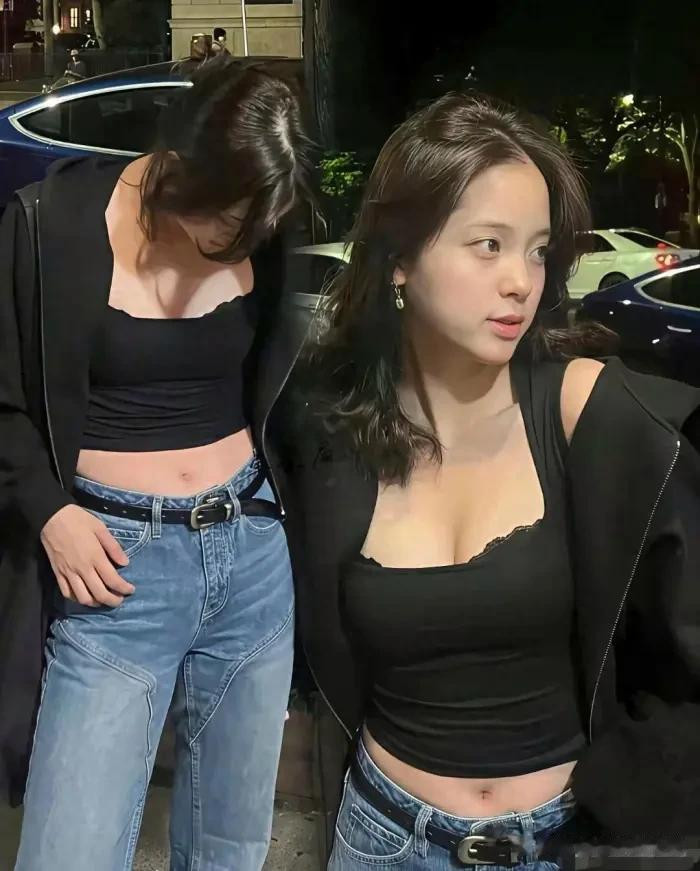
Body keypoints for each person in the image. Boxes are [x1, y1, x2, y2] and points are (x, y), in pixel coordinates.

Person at [270, 93, 700, 869]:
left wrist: (634, 804)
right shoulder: (327, 432)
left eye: (537, 251)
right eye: (489, 245)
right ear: (399, 258)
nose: (520, 281)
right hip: (382, 837)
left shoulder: (592, 414)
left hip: (563, 843)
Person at [0, 56, 314, 871]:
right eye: (225, 217)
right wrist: (50, 510)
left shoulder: (263, 236)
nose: (236, 240)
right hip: (115, 573)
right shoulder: (49, 225)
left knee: (228, 850)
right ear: (179, 163)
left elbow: (277, 395)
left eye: (256, 226)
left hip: (251, 559)